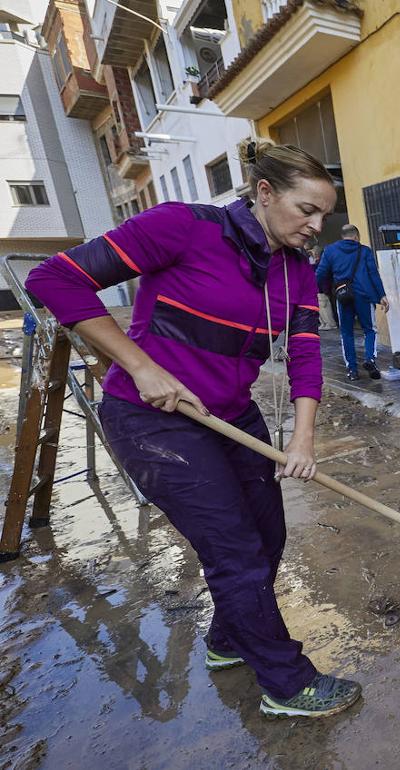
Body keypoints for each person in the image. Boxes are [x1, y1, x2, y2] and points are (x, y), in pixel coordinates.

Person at [25, 141, 363, 719]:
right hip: (156, 422)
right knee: (235, 552)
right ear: (263, 193)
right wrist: (139, 365)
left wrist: (302, 439)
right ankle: (287, 684)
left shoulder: (296, 272)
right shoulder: (183, 226)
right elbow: (53, 281)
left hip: (232, 416)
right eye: (306, 209)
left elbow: (305, 356)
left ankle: (230, 640)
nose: (315, 225)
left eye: (323, 216)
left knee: (268, 537)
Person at [316, 223, 388, 380]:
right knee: (369, 330)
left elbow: (320, 274)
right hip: (364, 295)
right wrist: (381, 295)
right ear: (356, 236)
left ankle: (352, 370)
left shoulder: (330, 250)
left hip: (343, 296)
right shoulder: (365, 251)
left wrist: (311, 291)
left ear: (342, 236)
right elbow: (373, 274)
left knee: (346, 333)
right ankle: (370, 359)